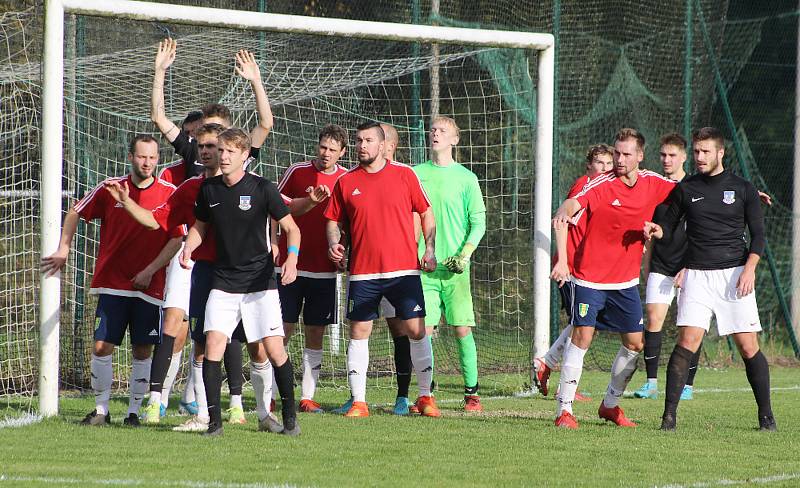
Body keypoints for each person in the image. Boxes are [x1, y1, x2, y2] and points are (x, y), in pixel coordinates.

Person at [146, 42, 275, 423]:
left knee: (230, 338)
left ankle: (234, 406)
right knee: (180, 325)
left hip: (234, 264)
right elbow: (158, 116)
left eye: (217, 142)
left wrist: (255, 81)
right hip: (192, 257)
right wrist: (160, 72)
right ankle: (160, 400)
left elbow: (265, 124)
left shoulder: (240, 166)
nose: (210, 149)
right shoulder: (193, 157)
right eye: (204, 142)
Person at [41, 135, 183, 426]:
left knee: (142, 350)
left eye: (153, 157)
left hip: (150, 286)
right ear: (130, 156)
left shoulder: (169, 192)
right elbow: (76, 211)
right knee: (102, 346)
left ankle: (133, 413)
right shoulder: (110, 188)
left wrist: (150, 270)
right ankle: (101, 411)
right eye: (142, 157)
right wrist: (64, 248)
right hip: (112, 283)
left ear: (159, 159)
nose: (147, 163)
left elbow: (176, 238)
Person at [644, 127, 776, 431]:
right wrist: (657, 231)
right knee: (686, 342)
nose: (700, 157)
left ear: (720, 153)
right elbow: (668, 226)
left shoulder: (743, 189)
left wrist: (750, 268)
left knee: (748, 347)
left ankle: (766, 416)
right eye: (697, 151)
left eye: (705, 151)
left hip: (734, 276)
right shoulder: (686, 188)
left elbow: (758, 237)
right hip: (698, 277)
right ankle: (668, 418)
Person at [550, 128, 677, 429]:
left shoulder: (652, 183)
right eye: (617, 153)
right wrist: (563, 218)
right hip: (589, 279)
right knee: (582, 337)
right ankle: (564, 410)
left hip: (625, 283)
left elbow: (686, 192)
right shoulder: (600, 185)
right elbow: (571, 206)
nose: (619, 159)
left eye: (626, 154)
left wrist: (744, 194)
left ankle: (609, 405)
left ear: (640, 156)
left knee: (635, 344)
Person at [181, 128, 301, 436]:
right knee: (212, 346)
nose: (223, 156)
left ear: (245, 156)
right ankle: (214, 424)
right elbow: (200, 227)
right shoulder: (209, 190)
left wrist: (291, 259)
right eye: (221, 150)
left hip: (260, 284)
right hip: (223, 283)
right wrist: (188, 247)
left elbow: (292, 228)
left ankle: (289, 418)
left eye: (230, 152)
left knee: (274, 350)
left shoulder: (263, 188)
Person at [324, 121, 440, 418]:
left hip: (403, 271)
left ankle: (425, 397)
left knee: (415, 329)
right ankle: (359, 401)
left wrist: (429, 249)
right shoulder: (346, 182)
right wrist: (334, 244)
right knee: (359, 331)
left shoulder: (405, 175)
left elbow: (426, 212)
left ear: (381, 144)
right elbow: (333, 220)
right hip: (364, 272)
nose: (363, 146)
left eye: (369, 140)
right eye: (359, 140)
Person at [412, 116, 486, 412]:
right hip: (424, 268)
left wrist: (465, 254)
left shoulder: (467, 178)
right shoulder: (415, 174)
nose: (435, 134)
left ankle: (472, 394)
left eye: (442, 131)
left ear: (455, 139)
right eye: (432, 130)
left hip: (456, 271)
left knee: (461, 329)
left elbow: (478, 223)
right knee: (423, 331)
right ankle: (426, 395)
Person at [274, 124, 349, 414]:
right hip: (291, 267)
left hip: (325, 270)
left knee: (315, 331)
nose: (325, 154)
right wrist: (275, 244)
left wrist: (344, 253)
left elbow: (349, 221)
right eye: (322, 147)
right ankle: (270, 393)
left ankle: (307, 396)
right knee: (281, 330)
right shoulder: (297, 171)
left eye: (332, 149)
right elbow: (278, 209)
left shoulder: (345, 178)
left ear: (342, 153)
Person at [533, 143, 613, 400]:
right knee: (583, 325)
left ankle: (547, 362)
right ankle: (557, 376)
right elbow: (562, 222)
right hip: (572, 268)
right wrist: (563, 262)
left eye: (609, 164)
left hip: (589, 268)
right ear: (589, 165)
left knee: (587, 324)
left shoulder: (604, 188)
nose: (605, 168)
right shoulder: (583, 186)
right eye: (600, 163)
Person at [633, 133, 699, 401]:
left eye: (672, 155)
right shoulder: (654, 187)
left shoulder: (696, 187)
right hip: (660, 265)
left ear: (684, 157)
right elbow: (647, 231)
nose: (667, 160)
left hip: (692, 267)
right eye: (663, 155)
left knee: (690, 326)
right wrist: (645, 265)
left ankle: (687, 385)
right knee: (653, 319)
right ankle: (651, 383)